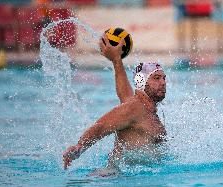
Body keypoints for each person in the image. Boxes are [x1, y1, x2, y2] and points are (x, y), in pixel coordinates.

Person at [63, 35, 167, 176]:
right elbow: (100, 126)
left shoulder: (141, 107)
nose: (163, 82)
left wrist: (116, 60)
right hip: (116, 176)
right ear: (141, 82)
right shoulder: (134, 108)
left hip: (135, 176)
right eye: (156, 78)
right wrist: (79, 147)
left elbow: (125, 94)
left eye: (164, 78)